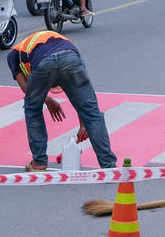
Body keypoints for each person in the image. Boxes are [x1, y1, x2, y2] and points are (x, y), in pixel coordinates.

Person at [8, 29, 116, 171]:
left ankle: (39, 162)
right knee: (92, 112)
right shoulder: (60, 41)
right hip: (71, 58)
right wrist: (84, 122)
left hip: (44, 63)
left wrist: (45, 100)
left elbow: (28, 90)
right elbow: (81, 98)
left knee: (32, 109)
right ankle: (109, 167)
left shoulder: (14, 55)